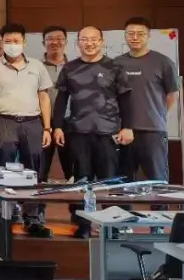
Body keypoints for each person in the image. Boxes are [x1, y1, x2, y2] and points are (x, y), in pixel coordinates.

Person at [53, 26, 133, 235]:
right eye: (84, 39)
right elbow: (61, 99)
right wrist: (57, 126)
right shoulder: (69, 68)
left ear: (102, 41)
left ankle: (113, 226)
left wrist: (127, 127)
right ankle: (83, 225)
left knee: (110, 180)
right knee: (82, 180)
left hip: (108, 133)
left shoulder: (115, 67)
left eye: (94, 39)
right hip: (78, 132)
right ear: (78, 42)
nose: (89, 43)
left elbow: (126, 99)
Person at [0, 23, 53, 238]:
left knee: (34, 169)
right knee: (4, 168)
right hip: (4, 121)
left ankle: (33, 218)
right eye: (8, 41)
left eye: (16, 41)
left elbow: (44, 98)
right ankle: (4, 214)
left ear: (24, 42)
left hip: (33, 122)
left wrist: (47, 127)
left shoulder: (37, 66)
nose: (12, 45)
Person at [114, 17, 179, 185]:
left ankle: (159, 205)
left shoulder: (163, 62)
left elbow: (172, 94)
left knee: (157, 181)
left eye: (140, 34)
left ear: (148, 35)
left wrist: (157, 114)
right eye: (131, 34)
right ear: (125, 35)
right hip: (123, 132)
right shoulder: (116, 64)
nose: (135, 37)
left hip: (153, 132)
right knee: (122, 183)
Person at [41, 25, 73, 181]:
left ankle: (75, 198)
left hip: (69, 122)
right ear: (43, 43)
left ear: (66, 42)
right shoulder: (36, 67)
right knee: (40, 168)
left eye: (59, 39)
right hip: (42, 122)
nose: (55, 42)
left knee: (72, 169)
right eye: (50, 39)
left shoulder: (74, 67)